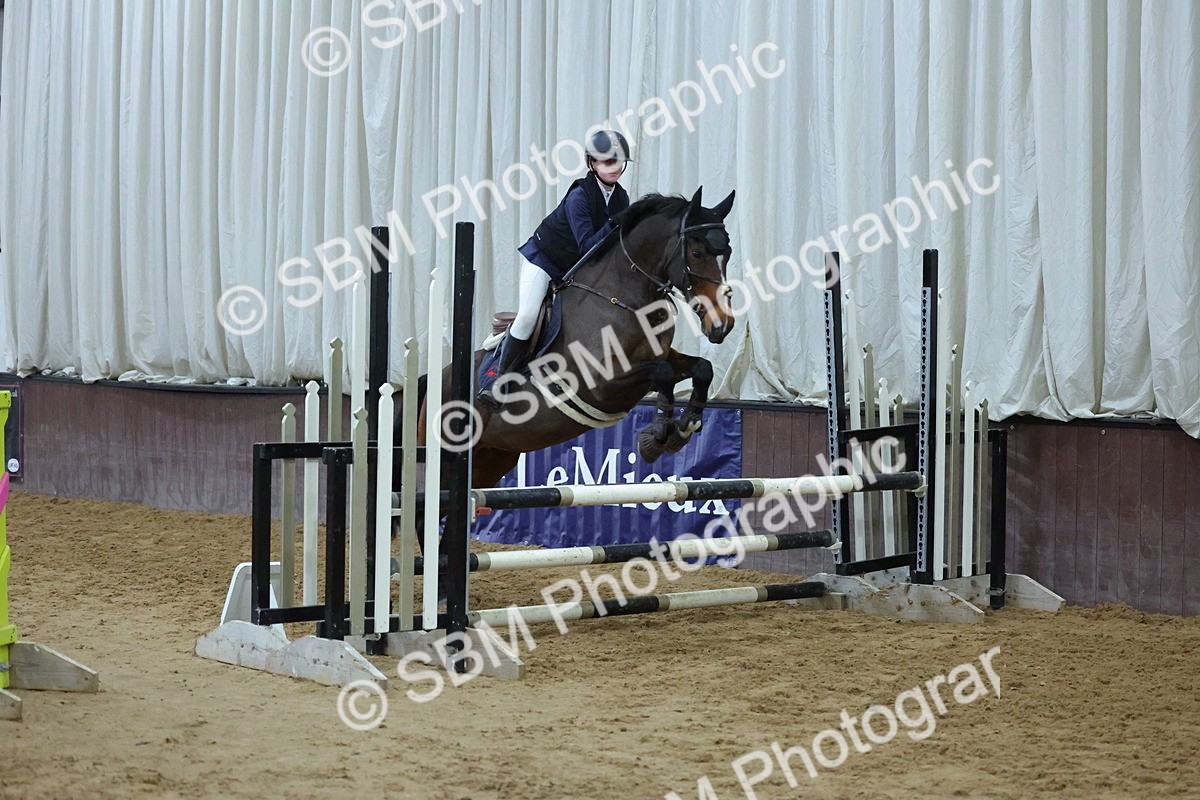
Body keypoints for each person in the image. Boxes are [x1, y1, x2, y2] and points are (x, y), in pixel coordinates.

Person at [478, 129, 633, 408]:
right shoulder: (580, 196)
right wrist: (614, 225)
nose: (615, 168)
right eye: (608, 162)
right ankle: (496, 379)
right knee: (527, 316)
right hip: (545, 260)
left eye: (619, 162)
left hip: (574, 269)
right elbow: (588, 245)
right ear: (592, 164)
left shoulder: (621, 199)